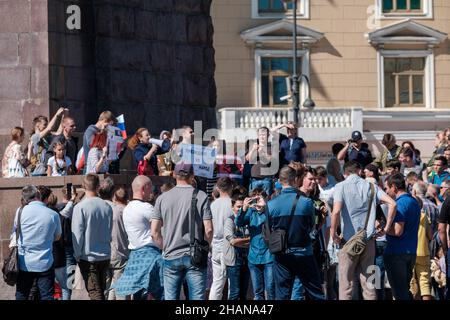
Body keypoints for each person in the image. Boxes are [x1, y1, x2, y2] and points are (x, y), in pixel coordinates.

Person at [330, 161, 397, 300]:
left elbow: (336, 211)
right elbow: (392, 203)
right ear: (359, 171)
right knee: (369, 284)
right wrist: (386, 228)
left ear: (344, 173)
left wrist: (333, 234)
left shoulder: (340, 186)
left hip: (348, 242)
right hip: (369, 240)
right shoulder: (372, 186)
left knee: (346, 285)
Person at [151, 162, 213, 300]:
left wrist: (164, 246)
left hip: (170, 255)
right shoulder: (201, 196)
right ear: (193, 176)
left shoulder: (162, 198)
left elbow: (154, 232)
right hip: (195, 256)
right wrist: (206, 246)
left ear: (174, 174)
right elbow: (208, 229)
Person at [265, 166, 325, 300]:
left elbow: (269, 229)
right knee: (316, 293)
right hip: (304, 253)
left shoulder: (270, 204)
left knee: (282, 294)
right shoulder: (307, 202)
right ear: (296, 180)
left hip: (282, 254)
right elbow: (311, 226)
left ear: (280, 181)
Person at [114, 176, 164, 300]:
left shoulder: (127, 208)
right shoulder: (147, 208)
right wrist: (165, 248)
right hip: (151, 256)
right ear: (143, 189)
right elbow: (158, 229)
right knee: (160, 293)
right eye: (150, 188)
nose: (151, 191)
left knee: (138, 293)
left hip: (135, 256)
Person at [13, 185, 61, 300]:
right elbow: (58, 237)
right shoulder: (53, 214)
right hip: (45, 262)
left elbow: (16, 232)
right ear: (38, 195)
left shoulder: (20, 211)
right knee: (47, 296)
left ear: (25, 199)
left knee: (22, 294)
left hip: (24, 262)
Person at [71, 174, 113, 300]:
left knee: (95, 291)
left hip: (88, 256)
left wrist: (77, 254)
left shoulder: (80, 207)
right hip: (104, 254)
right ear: (98, 187)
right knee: (100, 289)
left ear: (83, 186)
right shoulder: (107, 206)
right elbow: (109, 229)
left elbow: (77, 234)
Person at [384, 173, 421, 300]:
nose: (386, 192)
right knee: (404, 290)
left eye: (387, 189)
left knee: (400, 292)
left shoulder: (399, 204)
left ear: (393, 187)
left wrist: (384, 229)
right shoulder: (414, 202)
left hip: (396, 253)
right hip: (410, 252)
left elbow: (398, 231)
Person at [235, 186, 274, 300]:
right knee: (257, 292)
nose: (257, 202)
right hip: (254, 256)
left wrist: (266, 208)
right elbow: (239, 222)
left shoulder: (270, 210)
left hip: (269, 256)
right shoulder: (251, 212)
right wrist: (244, 209)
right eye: (254, 199)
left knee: (270, 290)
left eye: (259, 199)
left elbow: (276, 221)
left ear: (265, 199)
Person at [209, 177, 233, 300]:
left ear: (218, 188)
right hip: (229, 246)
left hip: (216, 245)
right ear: (231, 187)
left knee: (217, 283)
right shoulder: (232, 204)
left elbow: (209, 228)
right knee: (231, 284)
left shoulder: (213, 205)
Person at [223, 193, 250, 300]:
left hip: (246, 259)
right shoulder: (229, 221)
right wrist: (249, 239)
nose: (240, 209)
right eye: (238, 206)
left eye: (243, 207)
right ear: (232, 207)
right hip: (234, 260)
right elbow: (233, 241)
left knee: (244, 292)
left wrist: (242, 241)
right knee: (235, 292)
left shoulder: (247, 220)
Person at [106, 186, 130, 300]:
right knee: (121, 289)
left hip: (107, 252)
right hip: (122, 253)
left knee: (109, 288)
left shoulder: (108, 209)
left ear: (114, 197)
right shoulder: (127, 211)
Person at [28, 107, 66, 176]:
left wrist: (64, 116)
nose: (46, 126)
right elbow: (49, 128)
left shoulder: (46, 138)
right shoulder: (34, 137)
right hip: (39, 172)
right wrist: (57, 114)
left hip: (47, 169)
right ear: (37, 125)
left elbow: (59, 132)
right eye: (44, 124)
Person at [409, 197, 433, 300]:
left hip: (409, 251)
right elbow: (431, 235)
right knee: (424, 281)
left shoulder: (407, 216)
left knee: (411, 281)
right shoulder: (424, 216)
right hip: (423, 251)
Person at [245, 127, 276, 196]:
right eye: (260, 135)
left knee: (266, 201)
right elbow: (247, 159)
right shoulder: (253, 146)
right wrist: (253, 150)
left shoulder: (272, 146)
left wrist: (263, 152)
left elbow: (271, 159)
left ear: (268, 135)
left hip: (267, 180)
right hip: (254, 180)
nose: (262, 136)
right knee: (253, 200)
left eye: (264, 134)